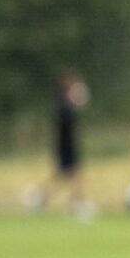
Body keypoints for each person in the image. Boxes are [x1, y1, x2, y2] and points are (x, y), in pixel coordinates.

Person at [25, 70, 94, 221]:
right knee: (73, 176)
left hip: (68, 146)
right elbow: (64, 122)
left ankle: (41, 199)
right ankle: (72, 204)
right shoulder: (62, 104)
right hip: (64, 146)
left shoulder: (65, 103)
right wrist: (75, 105)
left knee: (67, 177)